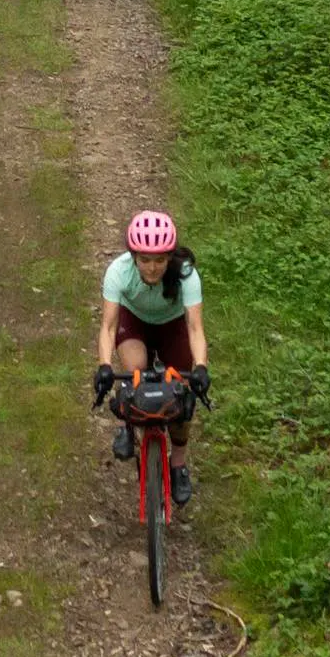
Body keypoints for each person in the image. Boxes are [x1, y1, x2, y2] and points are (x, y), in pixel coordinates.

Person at [90, 210, 209, 503]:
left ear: (170, 256)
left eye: (159, 260)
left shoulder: (186, 275)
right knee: (135, 370)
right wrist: (104, 366)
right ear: (133, 256)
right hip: (135, 322)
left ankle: (178, 463)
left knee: (181, 395)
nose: (152, 268)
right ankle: (126, 425)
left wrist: (201, 367)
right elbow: (108, 326)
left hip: (173, 327)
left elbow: (194, 328)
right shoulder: (118, 272)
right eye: (144, 259)